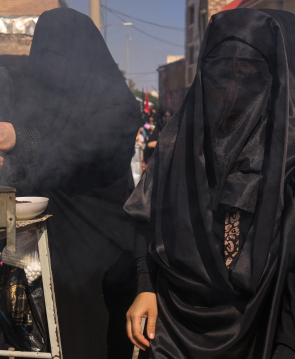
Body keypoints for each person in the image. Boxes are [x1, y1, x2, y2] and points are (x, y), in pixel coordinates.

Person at [0, 8, 141, 358]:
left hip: (100, 256)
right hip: (37, 253)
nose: (49, 67)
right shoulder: (33, 99)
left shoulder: (116, 104)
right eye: (41, 55)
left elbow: (85, 146)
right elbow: (32, 162)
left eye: (58, 56)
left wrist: (21, 139)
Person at [124, 9, 295, 358]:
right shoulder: (177, 147)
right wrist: (144, 288)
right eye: (220, 75)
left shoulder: (288, 163)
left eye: (247, 77)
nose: (232, 93)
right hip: (172, 331)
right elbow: (146, 222)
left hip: (261, 334)